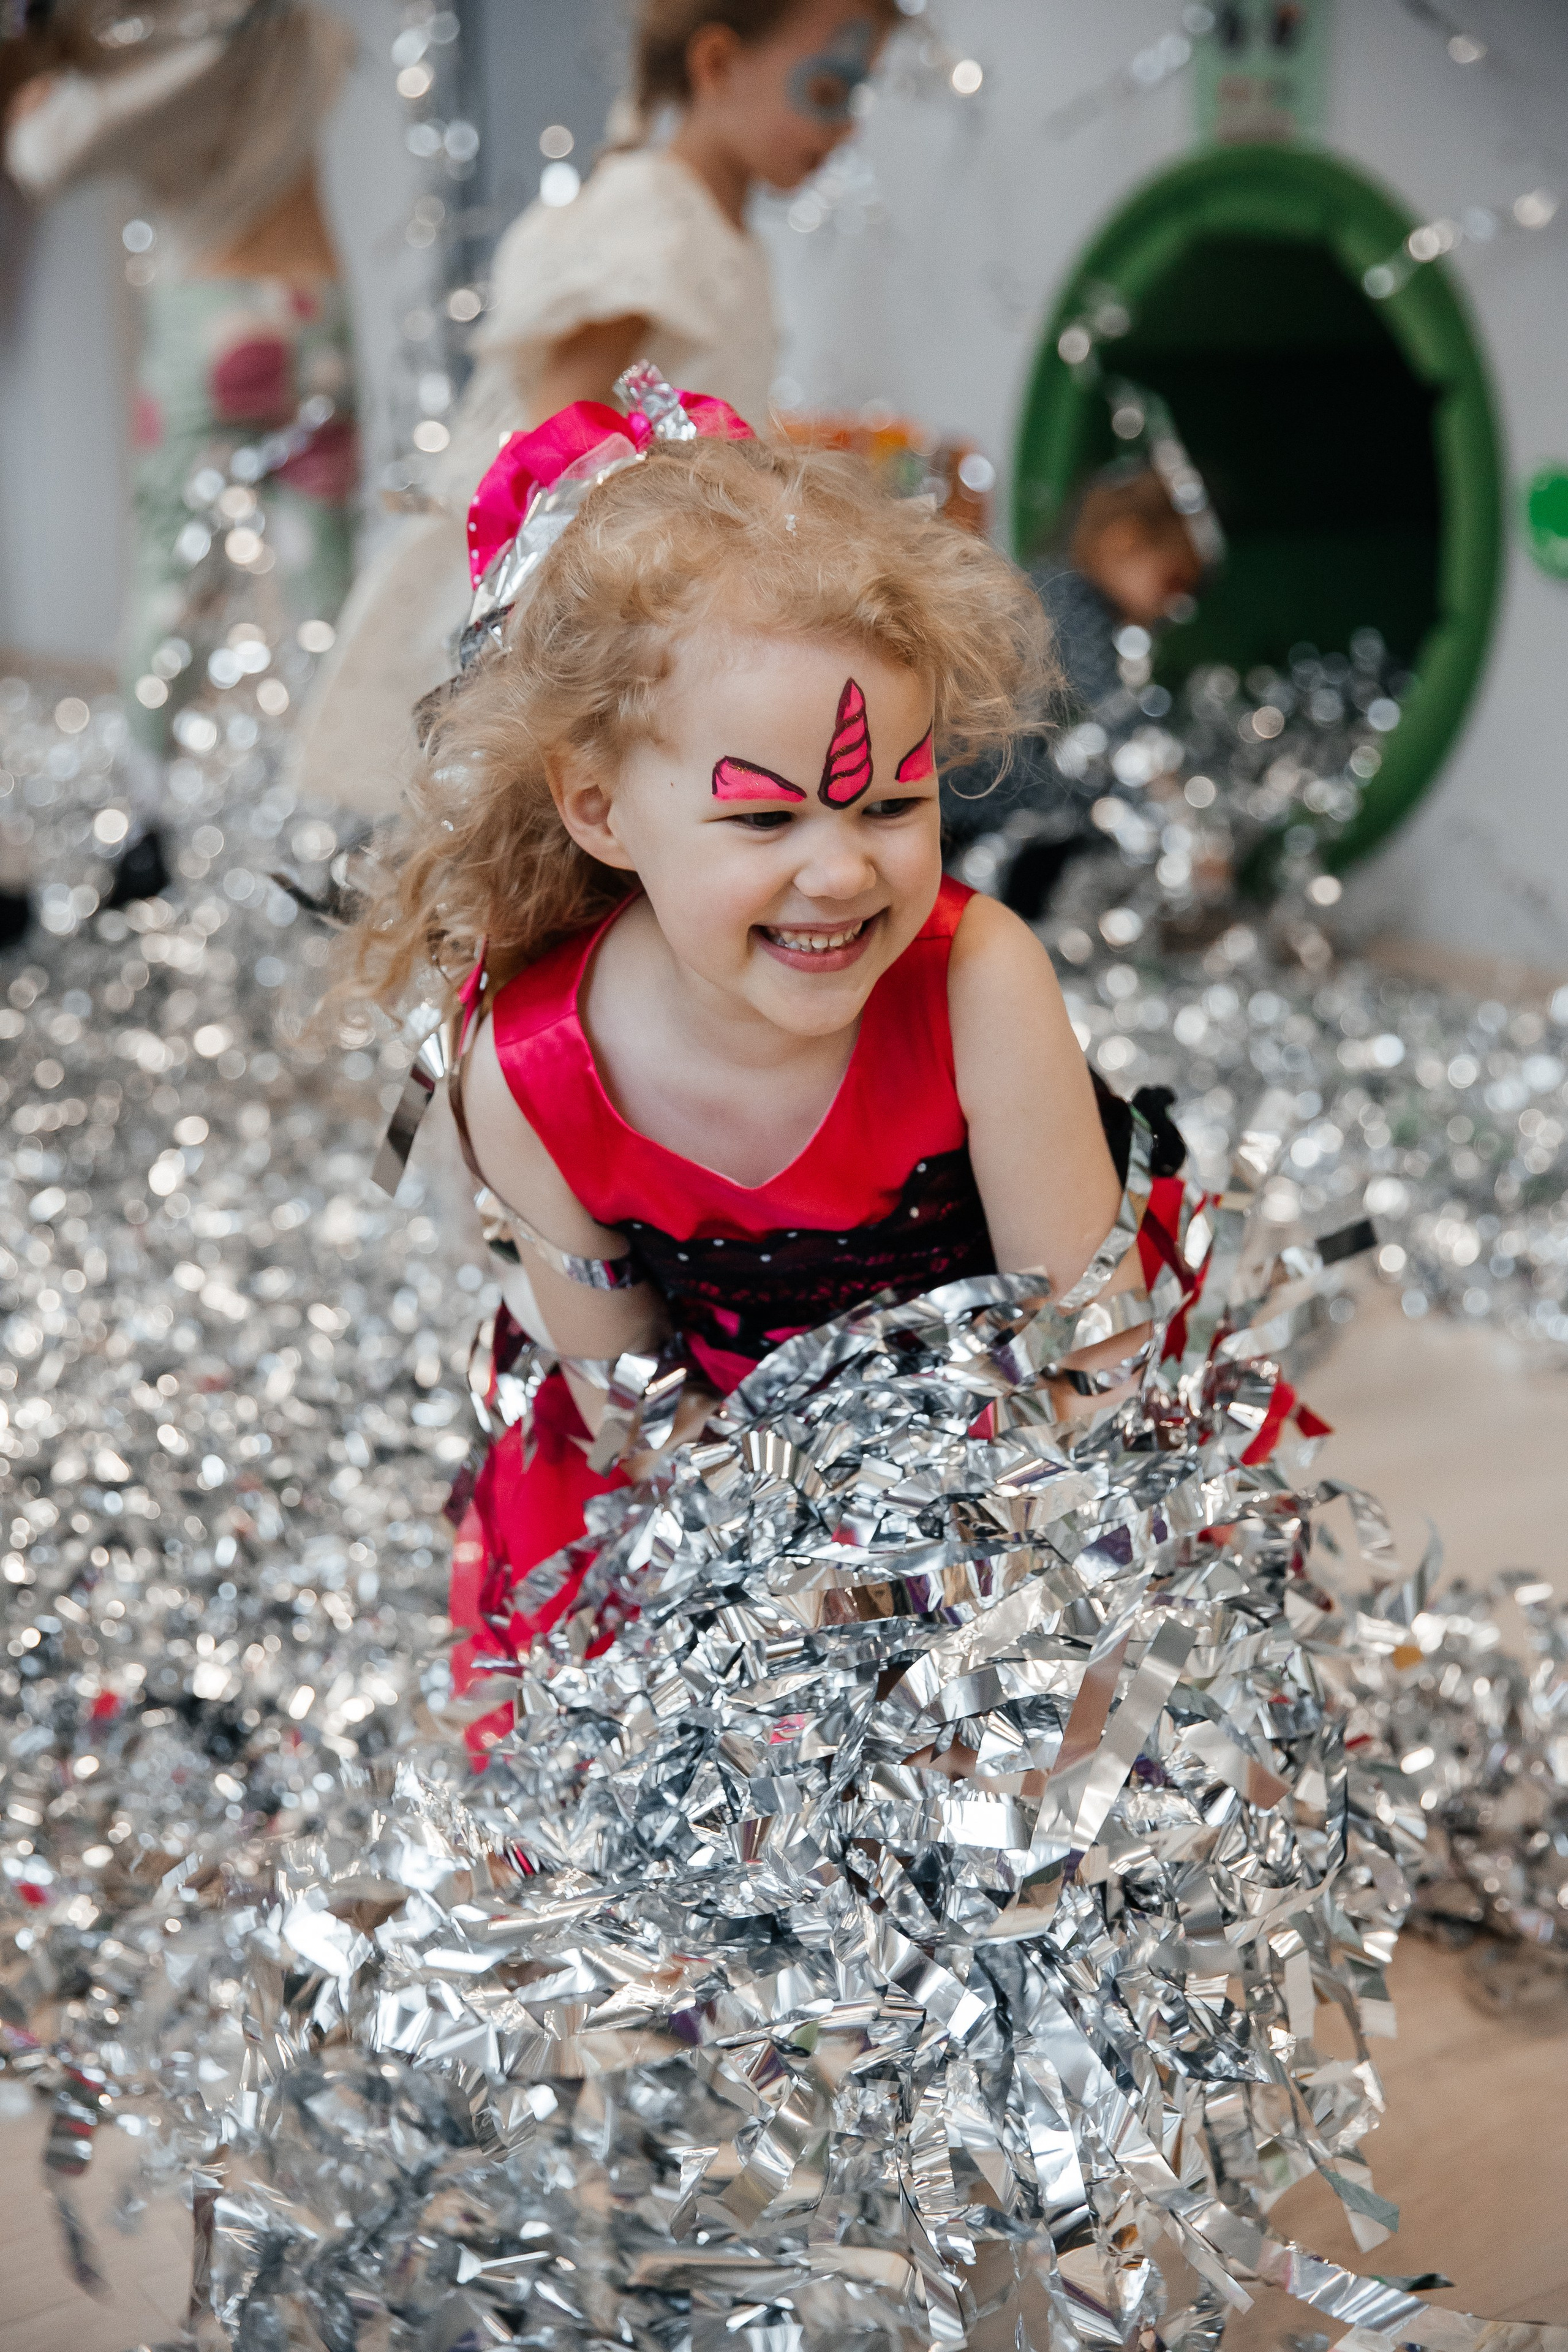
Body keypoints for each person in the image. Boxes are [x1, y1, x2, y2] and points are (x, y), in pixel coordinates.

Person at [344, 378, 1157, 1741]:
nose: (839, 870)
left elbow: (1088, 1358)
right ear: (598, 806)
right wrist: (789, 1595)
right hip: (714, 1505)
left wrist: (961, 1585)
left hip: (1016, 1487)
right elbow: (631, 1404)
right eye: (764, 818)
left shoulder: (976, 982)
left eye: (893, 801)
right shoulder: (527, 1071)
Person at [294, 0, 899, 820]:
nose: (848, 129)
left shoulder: (724, 236)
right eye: (828, 89)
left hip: (626, 592)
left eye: (859, 99)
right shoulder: (654, 216)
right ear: (716, 66)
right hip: (534, 595)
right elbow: (558, 439)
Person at [5, 0, 356, 894]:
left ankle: (147, 826)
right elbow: (342, 56)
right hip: (318, 311)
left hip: (216, 322)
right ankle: (341, 828)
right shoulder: (295, 29)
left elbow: (40, 156)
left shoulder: (175, 51)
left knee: (174, 579)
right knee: (326, 584)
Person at [944, 460, 1207, 921]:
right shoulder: (1071, 599)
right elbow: (1110, 714)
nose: (1176, 606)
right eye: (1174, 582)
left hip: (975, 789)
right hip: (974, 790)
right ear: (1125, 543)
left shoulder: (1050, 585)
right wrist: (1177, 803)